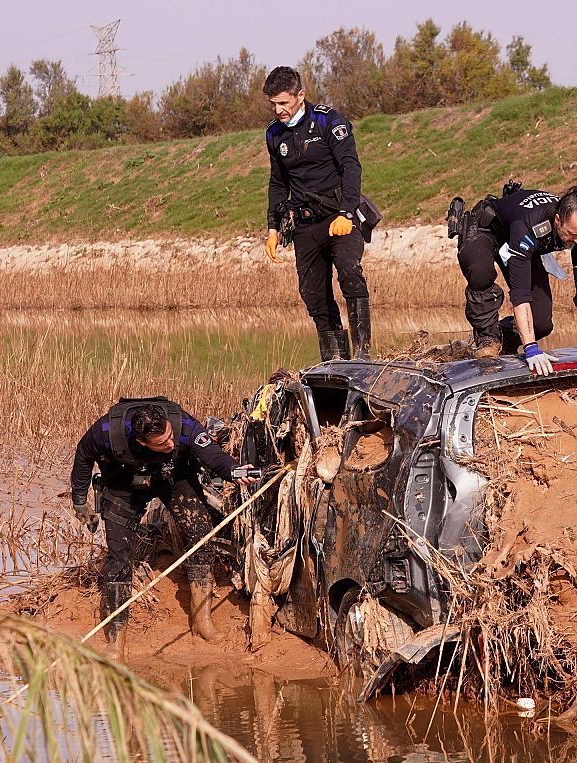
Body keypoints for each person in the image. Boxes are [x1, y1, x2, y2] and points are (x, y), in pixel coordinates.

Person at [70, 397, 258, 652]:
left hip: (173, 478)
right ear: (141, 442)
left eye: (170, 436)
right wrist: (80, 500)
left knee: (201, 533)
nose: (171, 443)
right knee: (118, 556)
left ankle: (202, 620)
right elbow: (83, 455)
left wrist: (235, 471)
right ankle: (116, 639)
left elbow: (210, 453)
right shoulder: (107, 431)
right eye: (161, 443)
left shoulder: (183, 424)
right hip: (122, 486)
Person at [261, 65, 372, 361]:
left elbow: (351, 167)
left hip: (339, 217)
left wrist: (347, 213)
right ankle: (335, 360)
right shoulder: (273, 134)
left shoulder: (328, 121)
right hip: (304, 225)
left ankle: (362, 355)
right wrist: (272, 228)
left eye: (283, 102)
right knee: (313, 294)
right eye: (272, 104)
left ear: (300, 95)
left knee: (350, 273)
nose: (278, 109)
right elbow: (277, 183)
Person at [454, 183, 577, 375]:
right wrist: (531, 348)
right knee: (480, 271)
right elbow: (520, 294)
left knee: (542, 322)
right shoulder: (530, 225)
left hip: (527, 244)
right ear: (558, 220)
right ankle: (488, 338)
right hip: (486, 230)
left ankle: (504, 340)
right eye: (572, 235)